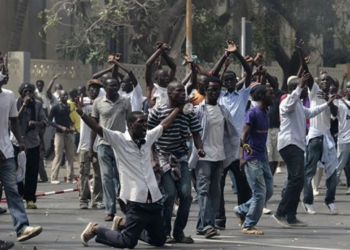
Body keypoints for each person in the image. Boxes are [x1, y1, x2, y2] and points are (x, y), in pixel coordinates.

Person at [78, 98, 184, 248]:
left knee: (159, 240)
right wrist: (81, 113)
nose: (145, 126)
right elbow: (97, 128)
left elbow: (164, 125)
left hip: (153, 200)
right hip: (135, 201)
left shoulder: (148, 138)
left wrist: (178, 109)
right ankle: (96, 229)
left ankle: (122, 223)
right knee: (127, 242)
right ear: (130, 125)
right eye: (141, 122)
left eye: (146, 122)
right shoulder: (118, 139)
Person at [272, 73, 335, 228]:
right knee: (296, 179)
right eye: (304, 87)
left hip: (297, 145)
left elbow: (311, 112)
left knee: (298, 180)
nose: (307, 90)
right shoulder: (288, 101)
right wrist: (300, 86)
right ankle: (281, 212)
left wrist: (327, 104)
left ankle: (291, 216)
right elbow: (292, 100)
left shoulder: (299, 104)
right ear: (296, 88)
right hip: (289, 144)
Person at [148, 81, 205, 243]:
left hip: (181, 157)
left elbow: (195, 133)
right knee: (169, 195)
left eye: (184, 91)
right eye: (179, 91)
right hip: (163, 156)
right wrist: (152, 159)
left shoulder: (188, 111)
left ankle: (178, 232)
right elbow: (150, 137)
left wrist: (199, 147)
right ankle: (165, 232)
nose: (183, 94)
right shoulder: (157, 111)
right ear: (170, 93)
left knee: (186, 195)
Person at [189, 76, 240, 238]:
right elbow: (188, 124)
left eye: (216, 90)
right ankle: (209, 225)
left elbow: (232, 132)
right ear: (205, 90)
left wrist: (241, 146)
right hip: (203, 157)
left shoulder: (223, 110)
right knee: (203, 191)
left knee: (215, 194)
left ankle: (200, 225)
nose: (213, 93)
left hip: (219, 157)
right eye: (210, 90)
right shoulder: (198, 110)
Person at [0, 53, 43, 243]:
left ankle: (22, 227)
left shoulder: (8, 96)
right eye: (2, 69)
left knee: (13, 192)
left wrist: (20, 140)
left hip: (7, 154)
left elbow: (14, 122)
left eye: (5, 69)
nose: (4, 72)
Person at [215, 41, 253, 229]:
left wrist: (236, 54)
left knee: (243, 184)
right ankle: (219, 219)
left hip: (238, 146)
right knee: (219, 185)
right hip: (221, 145)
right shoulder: (219, 96)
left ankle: (244, 215)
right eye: (226, 81)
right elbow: (213, 76)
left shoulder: (243, 94)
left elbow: (249, 72)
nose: (229, 83)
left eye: (232, 80)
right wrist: (224, 58)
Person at [300, 40, 339, 215]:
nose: (323, 83)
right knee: (310, 171)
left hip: (328, 137)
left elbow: (335, 113)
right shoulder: (314, 91)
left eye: (326, 81)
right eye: (321, 80)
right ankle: (308, 201)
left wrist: (329, 101)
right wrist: (301, 54)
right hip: (315, 136)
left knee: (332, 171)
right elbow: (307, 73)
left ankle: (330, 200)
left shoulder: (332, 97)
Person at [233, 85, 274, 235]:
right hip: (252, 158)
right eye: (270, 94)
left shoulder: (266, 112)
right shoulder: (253, 113)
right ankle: (248, 225)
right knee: (259, 193)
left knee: (268, 192)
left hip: (262, 157)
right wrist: (242, 156)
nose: (273, 96)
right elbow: (243, 135)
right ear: (262, 96)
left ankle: (241, 209)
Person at [91, 76, 131, 221]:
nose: (114, 88)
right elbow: (93, 126)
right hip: (103, 144)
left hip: (120, 144)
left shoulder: (125, 102)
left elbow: (130, 123)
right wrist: (91, 147)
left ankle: (124, 202)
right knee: (107, 176)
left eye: (116, 86)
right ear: (105, 88)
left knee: (122, 176)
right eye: (111, 86)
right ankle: (110, 209)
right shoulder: (98, 102)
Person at [16, 83, 46, 209]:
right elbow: (15, 118)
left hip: (33, 142)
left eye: (30, 92)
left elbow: (44, 122)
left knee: (32, 172)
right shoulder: (16, 103)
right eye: (25, 91)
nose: (27, 94)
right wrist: (24, 104)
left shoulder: (38, 105)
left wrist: (36, 123)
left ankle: (30, 199)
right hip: (18, 142)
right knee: (17, 171)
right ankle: (19, 194)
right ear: (21, 93)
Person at [77, 79, 104, 209]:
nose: (95, 90)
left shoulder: (101, 103)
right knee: (84, 173)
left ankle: (98, 200)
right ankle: (83, 199)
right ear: (88, 90)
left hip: (98, 144)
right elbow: (79, 108)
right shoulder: (84, 103)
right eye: (92, 88)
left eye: (97, 88)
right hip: (84, 144)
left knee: (99, 174)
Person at [48, 90, 76, 184]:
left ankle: (70, 178)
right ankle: (54, 178)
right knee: (58, 155)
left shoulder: (68, 106)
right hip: (59, 134)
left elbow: (67, 117)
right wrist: (60, 127)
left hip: (68, 133)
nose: (65, 97)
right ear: (59, 96)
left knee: (70, 156)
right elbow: (49, 121)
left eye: (66, 95)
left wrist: (71, 124)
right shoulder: (55, 107)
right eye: (63, 95)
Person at [145, 43, 176, 109]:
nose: (167, 78)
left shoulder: (169, 88)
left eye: (167, 76)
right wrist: (160, 50)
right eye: (163, 76)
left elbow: (173, 67)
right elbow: (148, 64)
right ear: (156, 79)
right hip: (155, 118)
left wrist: (163, 53)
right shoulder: (152, 87)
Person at [335, 81, 350, 194]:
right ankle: (332, 185)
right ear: (345, 89)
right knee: (340, 164)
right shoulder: (340, 103)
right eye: (348, 87)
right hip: (344, 139)